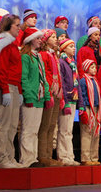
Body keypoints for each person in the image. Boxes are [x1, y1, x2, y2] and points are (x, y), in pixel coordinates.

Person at [0, 14, 24, 168]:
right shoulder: (1, 43)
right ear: (8, 26)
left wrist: (19, 91)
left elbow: (16, 69)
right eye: (16, 25)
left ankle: (9, 157)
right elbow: (0, 68)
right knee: (4, 123)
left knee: (13, 124)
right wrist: (6, 90)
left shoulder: (12, 43)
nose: (19, 28)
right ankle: (0, 159)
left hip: (13, 86)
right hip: (3, 86)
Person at [18, 27, 50, 168]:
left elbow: (43, 78)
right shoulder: (25, 57)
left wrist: (47, 96)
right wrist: (28, 96)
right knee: (27, 130)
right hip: (30, 98)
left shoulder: (38, 57)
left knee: (35, 130)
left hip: (40, 98)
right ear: (30, 40)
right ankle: (26, 159)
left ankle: (33, 157)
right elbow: (24, 78)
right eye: (37, 38)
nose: (40, 41)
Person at [37, 29, 64, 166]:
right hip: (49, 93)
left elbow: (58, 76)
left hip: (56, 92)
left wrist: (60, 92)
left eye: (55, 37)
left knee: (52, 125)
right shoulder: (44, 54)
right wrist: (48, 91)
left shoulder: (54, 55)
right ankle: (42, 155)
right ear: (45, 39)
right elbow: (45, 74)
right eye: (52, 37)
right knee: (45, 125)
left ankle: (48, 155)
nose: (56, 39)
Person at [58, 39, 84, 166]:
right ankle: (63, 156)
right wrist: (65, 101)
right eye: (71, 46)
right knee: (63, 129)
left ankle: (69, 155)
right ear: (64, 48)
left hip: (73, 99)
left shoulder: (73, 64)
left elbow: (77, 84)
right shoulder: (62, 63)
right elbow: (62, 82)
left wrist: (81, 103)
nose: (74, 49)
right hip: (66, 99)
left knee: (69, 130)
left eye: (74, 46)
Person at [78, 59, 101, 166]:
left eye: (95, 67)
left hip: (96, 108)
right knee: (86, 132)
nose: (94, 69)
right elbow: (82, 95)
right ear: (86, 68)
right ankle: (85, 157)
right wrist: (82, 109)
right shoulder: (83, 81)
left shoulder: (95, 81)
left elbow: (99, 96)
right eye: (92, 67)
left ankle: (94, 157)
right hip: (88, 108)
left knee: (95, 133)